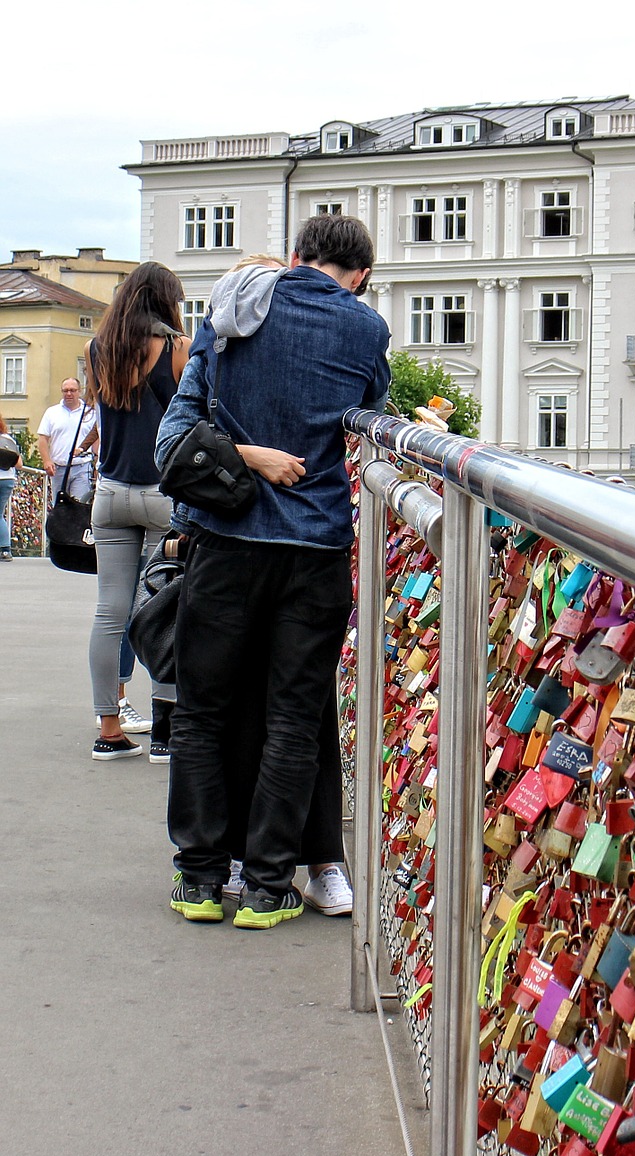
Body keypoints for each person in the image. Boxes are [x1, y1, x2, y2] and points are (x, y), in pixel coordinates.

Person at [156, 214, 390, 928]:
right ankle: (266, 888)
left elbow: (186, 417)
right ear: (362, 274)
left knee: (202, 710)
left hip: (227, 539)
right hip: (315, 545)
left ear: (294, 258)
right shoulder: (367, 329)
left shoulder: (231, 309)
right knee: (293, 718)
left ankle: (198, 881)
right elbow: (371, 413)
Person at [85, 262, 191, 762]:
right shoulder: (174, 348)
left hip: (109, 492)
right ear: (166, 298)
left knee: (110, 612)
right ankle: (166, 732)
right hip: (160, 493)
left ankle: (108, 729)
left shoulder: (98, 347)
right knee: (162, 607)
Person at [37, 378, 97, 503]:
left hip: (81, 466)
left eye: (72, 390)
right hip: (58, 468)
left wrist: (97, 463)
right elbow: (43, 439)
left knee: (79, 506)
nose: (69, 394)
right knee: (59, 507)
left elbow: (95, 439)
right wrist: (47, 461)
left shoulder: (89, 413)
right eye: (65, 391)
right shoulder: (52, 412)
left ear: (79, 392)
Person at [0, 413, 23, 560]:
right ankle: (5, 548)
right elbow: (19, 464)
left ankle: (5, 548)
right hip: (7, 479)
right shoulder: (8, 440)